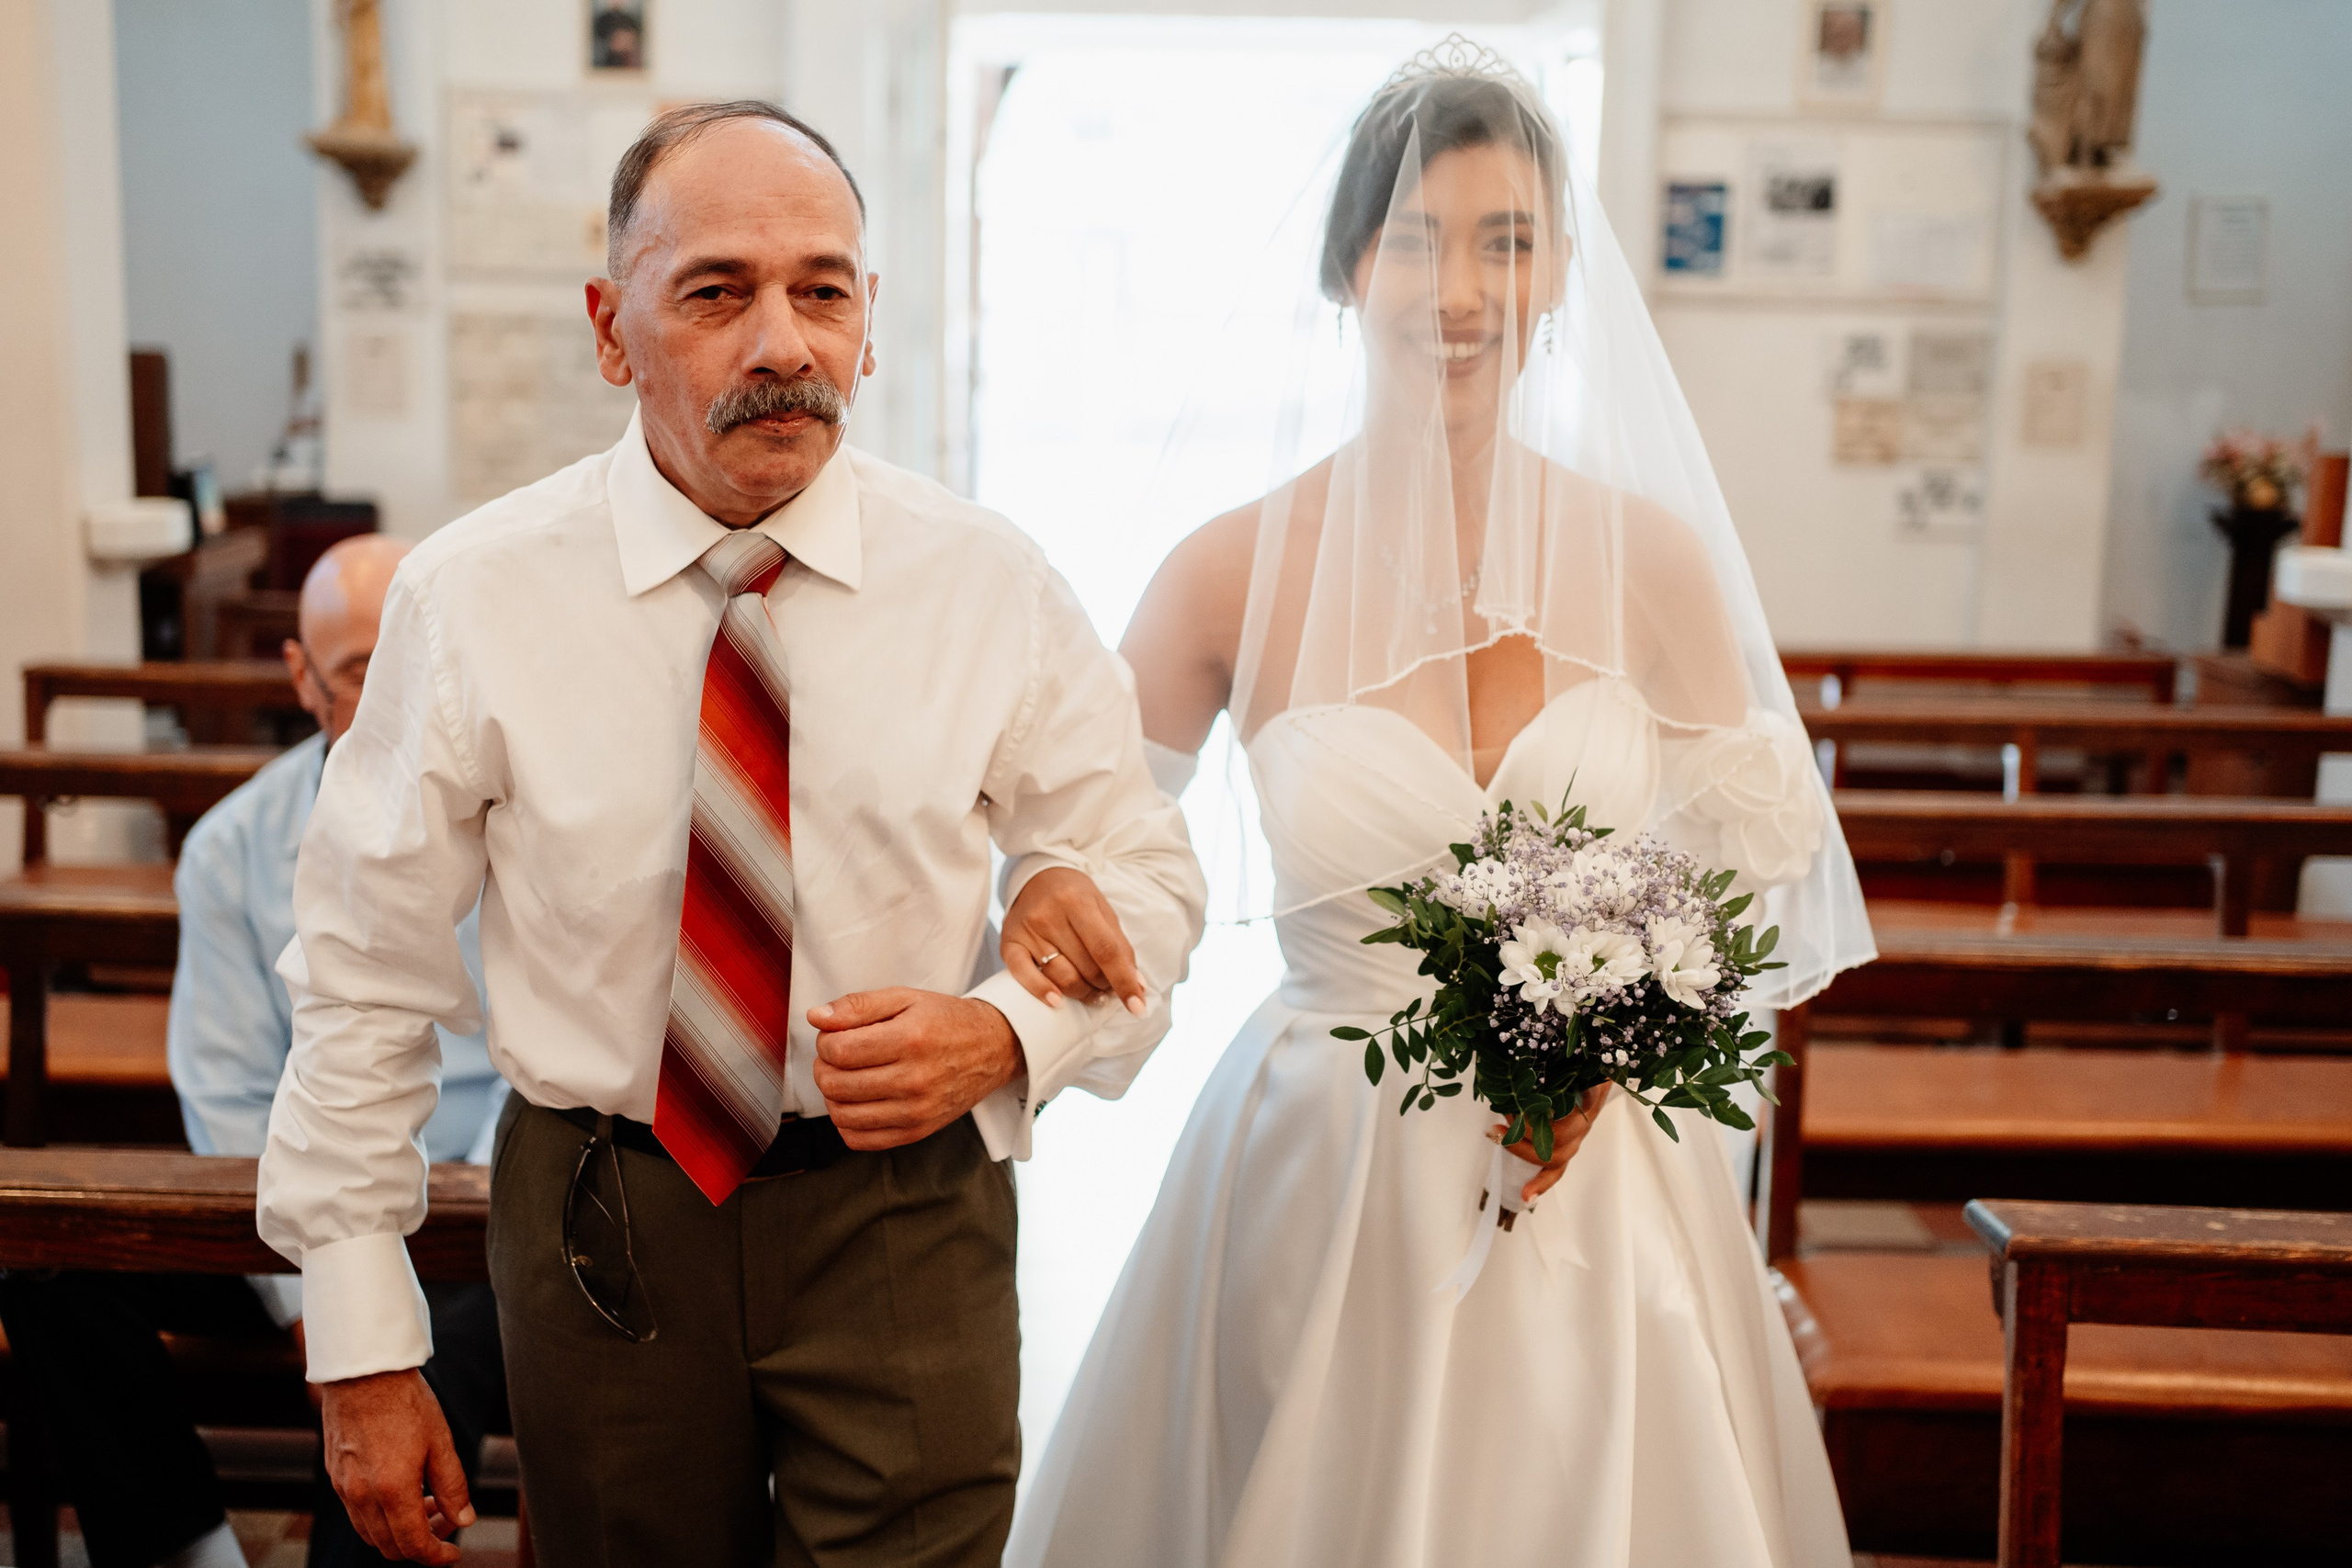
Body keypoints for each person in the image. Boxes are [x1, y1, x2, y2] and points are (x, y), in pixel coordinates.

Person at [255, 99, 1205, 1568]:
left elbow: (1149, 876)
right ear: (610, 326)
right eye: (717, 291)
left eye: (822, 289)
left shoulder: (988, 586)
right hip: (602, 1215)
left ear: (869, 322)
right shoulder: (477, 597)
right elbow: (361, 970)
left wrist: (1008, 1033)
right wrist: (364, 1339)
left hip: (905, 1200)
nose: (782, 342)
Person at [1008, 40, 1876, 1568]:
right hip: (1319, 1172)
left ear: (1557, 281)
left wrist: (1634, 1049)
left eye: (1508, 242)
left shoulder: (1651, 562)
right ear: (1350, 265)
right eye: (1418, 239)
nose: (1460, 291)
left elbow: (1747, 884)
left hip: (1599, 1176)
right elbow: (1081, 840)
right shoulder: (1227, 572)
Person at [0, 537, 509, 1568]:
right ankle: (188, 1550)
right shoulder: (235, 843)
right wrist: (319, 1293)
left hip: (470, 1209)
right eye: (362, 668)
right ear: (302, 678)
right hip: (294, 1206)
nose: (394, 689)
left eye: (413, 652)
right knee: (50, 1261)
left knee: (430, 1341)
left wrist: (404, 1272)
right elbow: (228, 1092)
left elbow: (532, 1064)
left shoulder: (521, 812)